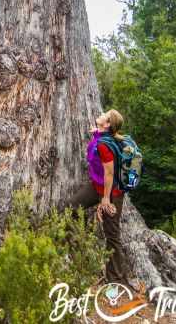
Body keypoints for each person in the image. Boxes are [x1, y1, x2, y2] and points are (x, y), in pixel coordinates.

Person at [66, 108, 126, 284]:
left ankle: (116, 279)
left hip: (112, 192)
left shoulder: (105, 145)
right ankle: (80, 252)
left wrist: (106, 199)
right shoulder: (101, 137)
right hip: (96, 187)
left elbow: (109, 173)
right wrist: (96, 134)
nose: (100, 114)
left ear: (108, 125)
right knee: (71, 208)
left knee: (112, 234)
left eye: (104, 116)